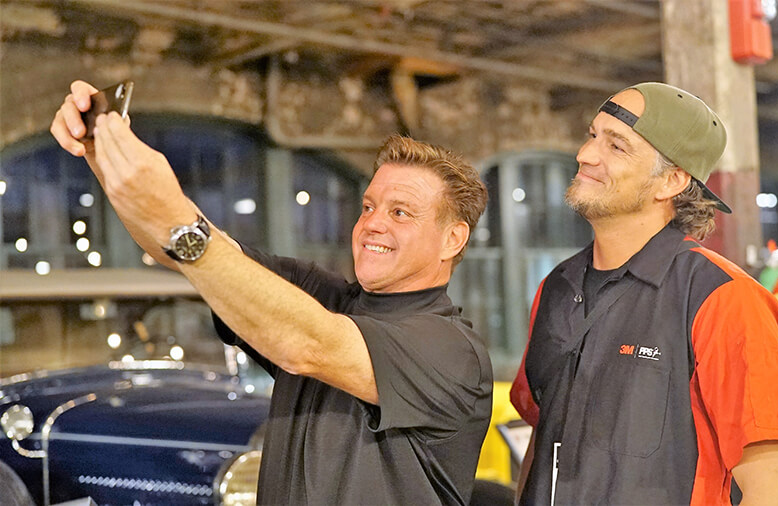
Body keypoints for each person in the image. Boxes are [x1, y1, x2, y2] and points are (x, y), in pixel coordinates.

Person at [50, 80, 493, 505]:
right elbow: (181, 251)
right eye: (368, 206)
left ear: (452, 239)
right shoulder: (326, 297)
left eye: (401, 213)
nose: (373, 223)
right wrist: (103, 157)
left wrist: (179, 222)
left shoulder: (452, 351)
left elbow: (309, 343)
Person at [509, 82, 778, 505]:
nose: (586, 154)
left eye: (616, 146)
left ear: (670, 181)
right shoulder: (556, 288)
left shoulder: (723, 299)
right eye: (593, 135)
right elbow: (544, 442)